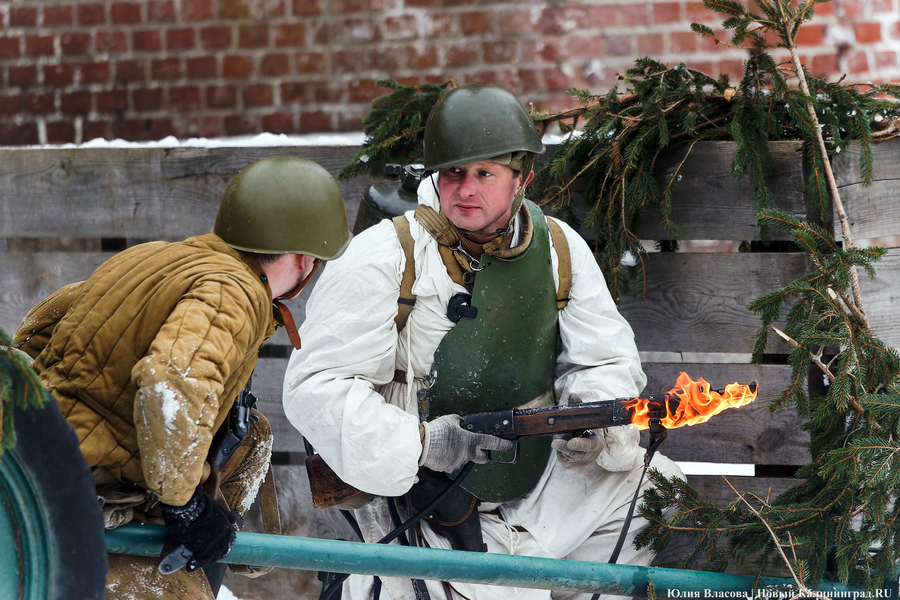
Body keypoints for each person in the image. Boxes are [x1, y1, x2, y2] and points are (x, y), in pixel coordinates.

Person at [283, 83, 685, 600]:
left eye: (484, 174)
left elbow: (604, 356)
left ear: (523, 178)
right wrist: (427, 444)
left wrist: (593, 414)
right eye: (453, 172)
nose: (465, 189)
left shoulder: (561, 249)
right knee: (505, 591)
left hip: (535, 476)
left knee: (658, 492)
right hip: (423, 493)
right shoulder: (386, 256)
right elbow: (315, 387)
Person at [14, 155, 352, 600]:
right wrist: (186, 506)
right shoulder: (235, 293)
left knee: (251, 436)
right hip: (80, 495)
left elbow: (36, 330)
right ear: (304, 258)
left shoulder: (156, 257)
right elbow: (171, 383)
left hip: (36, 462)